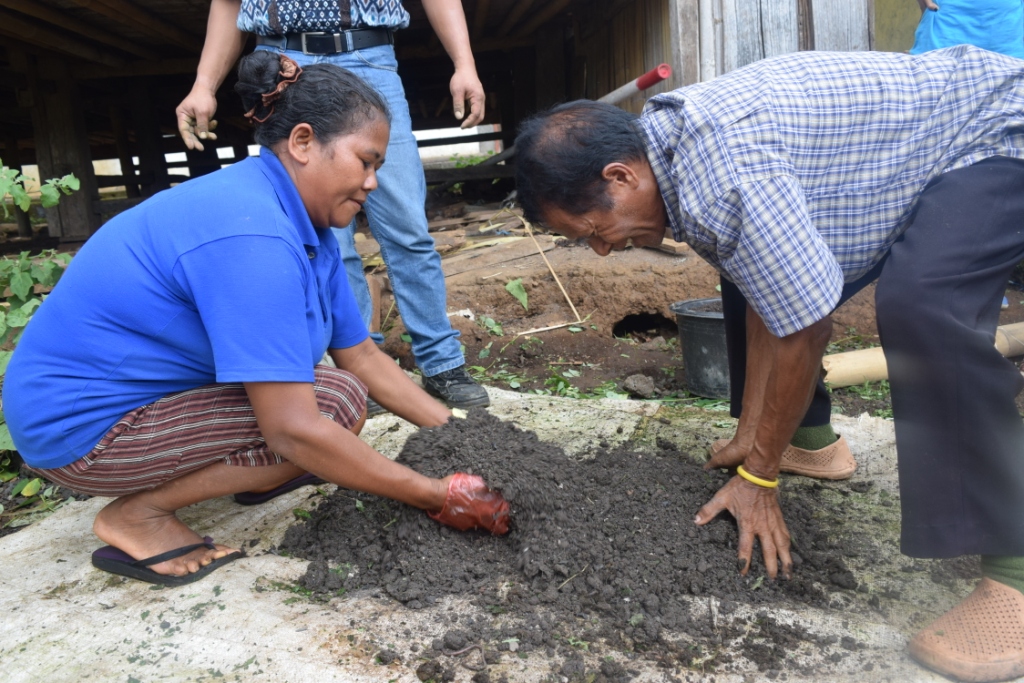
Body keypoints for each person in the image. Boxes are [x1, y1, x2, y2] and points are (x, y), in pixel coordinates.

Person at [514, 46, 1024, 682]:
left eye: (591, 228)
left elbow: (805, 325)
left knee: (924, 308)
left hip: (996, 128)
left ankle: (1016, 576)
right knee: (752, 271)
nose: (599, 251)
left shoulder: (721, 178)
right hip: (909, 153)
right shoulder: (674, 156)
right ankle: (807, 442)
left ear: (620, 177)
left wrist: (758, 483)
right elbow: (771, 287)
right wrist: (755, 439)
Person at [2, 52, 509, 588]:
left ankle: (257, 471)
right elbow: (292, 427)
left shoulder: (303, 222)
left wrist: (460, 435)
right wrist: (434, 494)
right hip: (84, 429)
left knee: (338, 395)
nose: (373, 183)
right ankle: (139, 515)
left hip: (142, 403)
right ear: (304, 142)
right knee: (324, 414)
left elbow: (359, 354)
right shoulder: (253, 234)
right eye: (366, 161)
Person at [174, 0, 490, 410]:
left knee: (407, 228)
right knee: (328, 239)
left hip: (369, 54)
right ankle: (359, 370)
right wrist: (203, 84)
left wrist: (464, 63)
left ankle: (442, 363)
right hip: (285, 63)